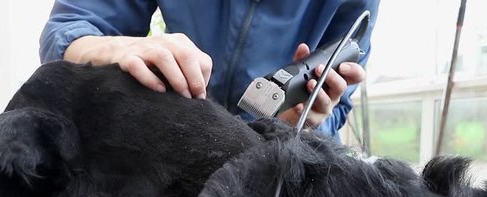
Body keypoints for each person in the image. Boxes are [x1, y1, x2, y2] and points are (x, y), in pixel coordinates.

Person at [39, 1, 379, 139]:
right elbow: (70, 25)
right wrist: (115, 48)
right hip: (179, 143)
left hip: (285, 170)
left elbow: (338, 106)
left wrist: (302, 123)